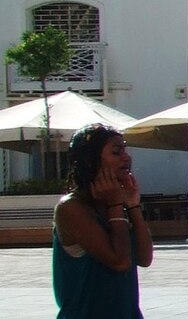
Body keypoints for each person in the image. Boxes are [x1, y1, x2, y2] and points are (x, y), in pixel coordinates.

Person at [52, 123, 153, 318]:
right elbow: (120, 261)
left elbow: (144, 258)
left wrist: (133, 206)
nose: (127, 157)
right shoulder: (70, 208)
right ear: (91, 161)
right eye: (116, 152)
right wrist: (115, 204)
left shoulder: (112, 203)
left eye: (125, 150)